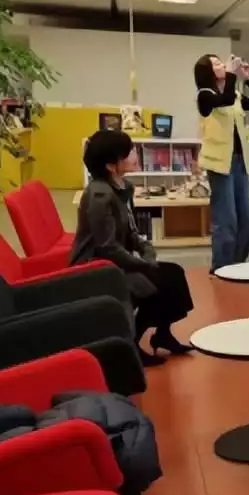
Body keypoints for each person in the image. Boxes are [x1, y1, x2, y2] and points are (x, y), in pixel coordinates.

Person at [72, 130, 194, 367]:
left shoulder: (121, 187)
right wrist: (143, 264)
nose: (135, 155)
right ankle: (131, 345)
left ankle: (163, 334)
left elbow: (131, 231)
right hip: (96, 266)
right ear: (111, 165)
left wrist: (146, 249)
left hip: (115, 260)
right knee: (155, 282)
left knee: (174, 273)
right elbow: (107, 247)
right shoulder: (99, 195)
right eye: (127, 153)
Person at [194, 55, 249, 272]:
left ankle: (238, 265)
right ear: (208, 71)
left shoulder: (234, 95)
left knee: (247, 221)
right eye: (217, 64)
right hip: (219, 165)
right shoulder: (205, 95)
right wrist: (230, 74)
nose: (222, 66)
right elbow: (224, 100)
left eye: (222, 63)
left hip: (240, 162)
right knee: (226, 221)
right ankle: (222, 267)